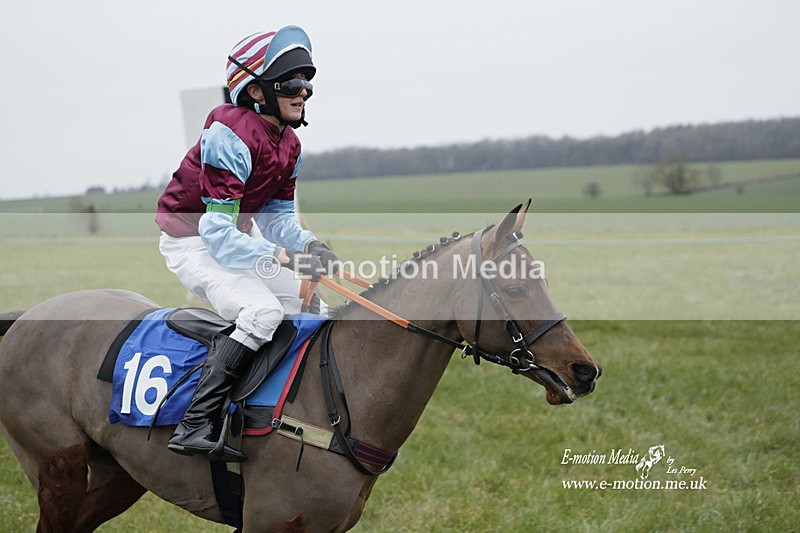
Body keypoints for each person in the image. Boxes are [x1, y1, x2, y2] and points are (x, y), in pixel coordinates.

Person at [155, 25, 336, 462]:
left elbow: (276, 220)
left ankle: (287, 414)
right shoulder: (228, 133)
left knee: (317, 312)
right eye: (292, 83)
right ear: (256, 91)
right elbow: (217, 236)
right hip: (192, 241)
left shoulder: (289, 143)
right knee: (263, 311)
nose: (304, 91)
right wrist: (278, 255)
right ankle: (195, 422)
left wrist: (309, 246)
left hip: (237, 238)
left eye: (308, 82)